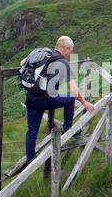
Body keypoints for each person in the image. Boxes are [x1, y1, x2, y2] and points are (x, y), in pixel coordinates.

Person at [24, 36, 95, 166]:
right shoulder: (62, 62)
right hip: (46, 98)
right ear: (66, 48)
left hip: (31, 98)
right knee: (70, 100)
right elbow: (73, 89)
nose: (70, 54)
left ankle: (30, 161)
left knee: (31, 130)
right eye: (70, 51)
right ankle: (68, 128)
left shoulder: (43, 56)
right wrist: (84, 102)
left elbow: (23, 64)